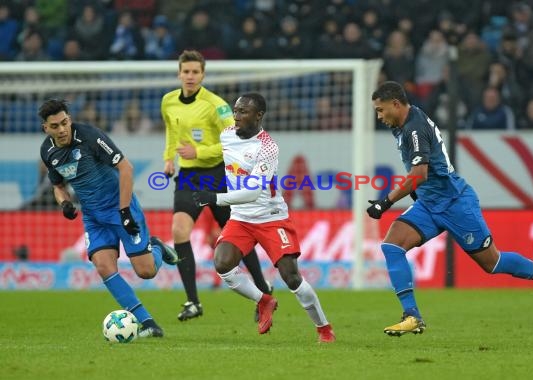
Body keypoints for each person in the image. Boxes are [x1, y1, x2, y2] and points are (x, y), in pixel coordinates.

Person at [367, 81, 533, 336]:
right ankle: (412, 315)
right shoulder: (404, 124)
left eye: (381, 110)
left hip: (455, 204)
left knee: (492, 264)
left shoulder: (414, 129)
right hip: (429, 204)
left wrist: (387, 201)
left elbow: (419, 173)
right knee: (392, 245)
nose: (379, 116)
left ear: (396, 104)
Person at [192, 93, 336, 343]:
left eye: (244, 112)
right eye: (235, 111)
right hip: (241, 218)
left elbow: (253, 191)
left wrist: (215, 198)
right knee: (222, 263)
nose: (237, 116)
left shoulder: (267, 147)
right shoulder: (226, 134)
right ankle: (264, 300)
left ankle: (324, 328)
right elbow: (218, 159)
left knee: (291, 277)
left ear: (259, 115)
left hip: (271, 217)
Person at [39, 99, 179, 338]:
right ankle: (148, 323)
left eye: (64, 123)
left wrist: (124, 211)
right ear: (46, 128)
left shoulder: (90, 136)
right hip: (93, 217)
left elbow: (126, 168)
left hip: (121, 208)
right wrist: (64, 203)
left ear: (69, 119)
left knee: (146, 272)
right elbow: (58, 185)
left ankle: (155, 247)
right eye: (55, 126)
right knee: (104, 266)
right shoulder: (48, 152)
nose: (62, 129)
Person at [161, 50, 272, 322]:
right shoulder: (169, 101)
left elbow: (233, 140)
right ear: (179, 73)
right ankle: (192, 302)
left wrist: (197, 152)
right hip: (188, 177)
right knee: (179, 231)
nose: (189, 76)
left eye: (195, 72)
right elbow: (172, 132)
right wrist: (169, 158)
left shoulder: (217, 105)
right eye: (185, 71)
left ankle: (263, 290)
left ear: (202, 75)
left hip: (218, 175)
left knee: (236, 235)